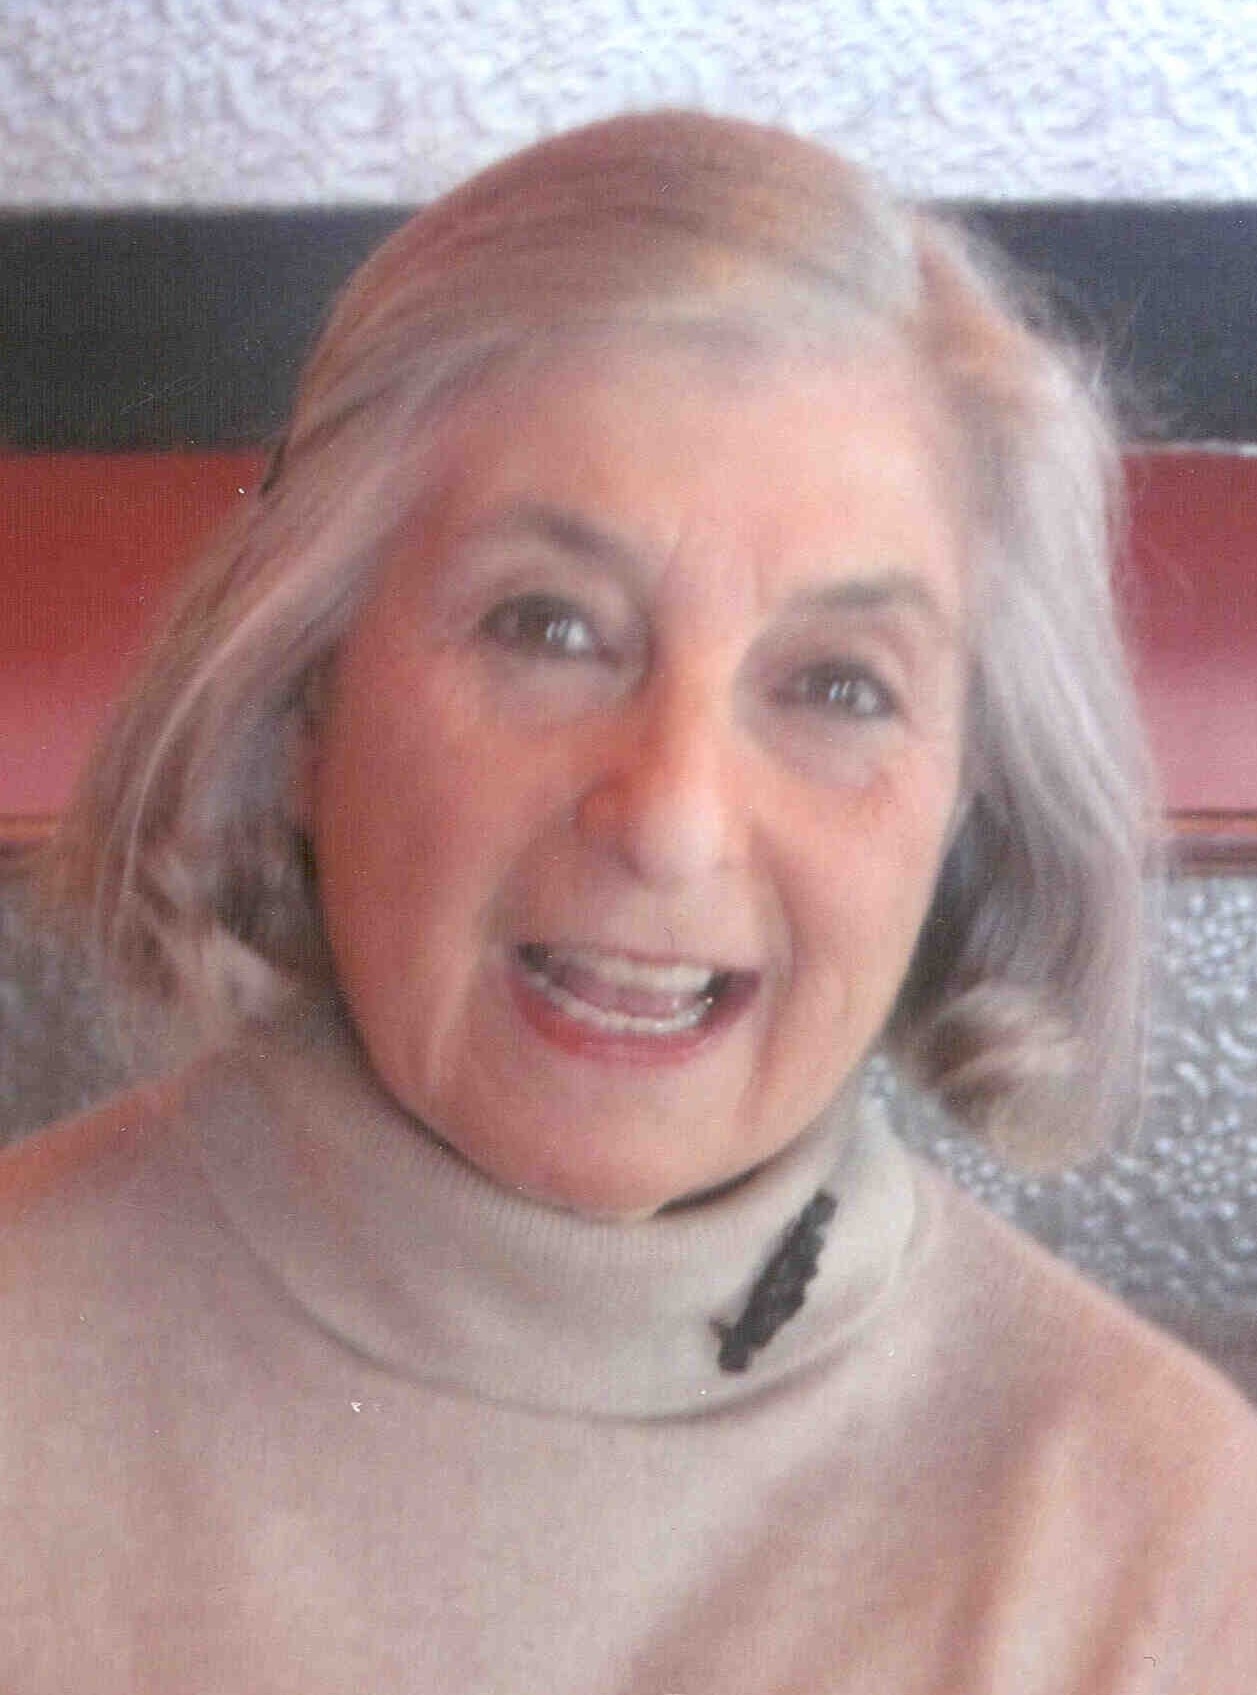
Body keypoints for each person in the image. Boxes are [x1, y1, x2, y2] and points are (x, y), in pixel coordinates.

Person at [5, 110, 1256, 1692]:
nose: (670, 818)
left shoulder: (1163, 1542)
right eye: (549, 627)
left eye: (835, 684)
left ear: (969, 802)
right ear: (303, 695)